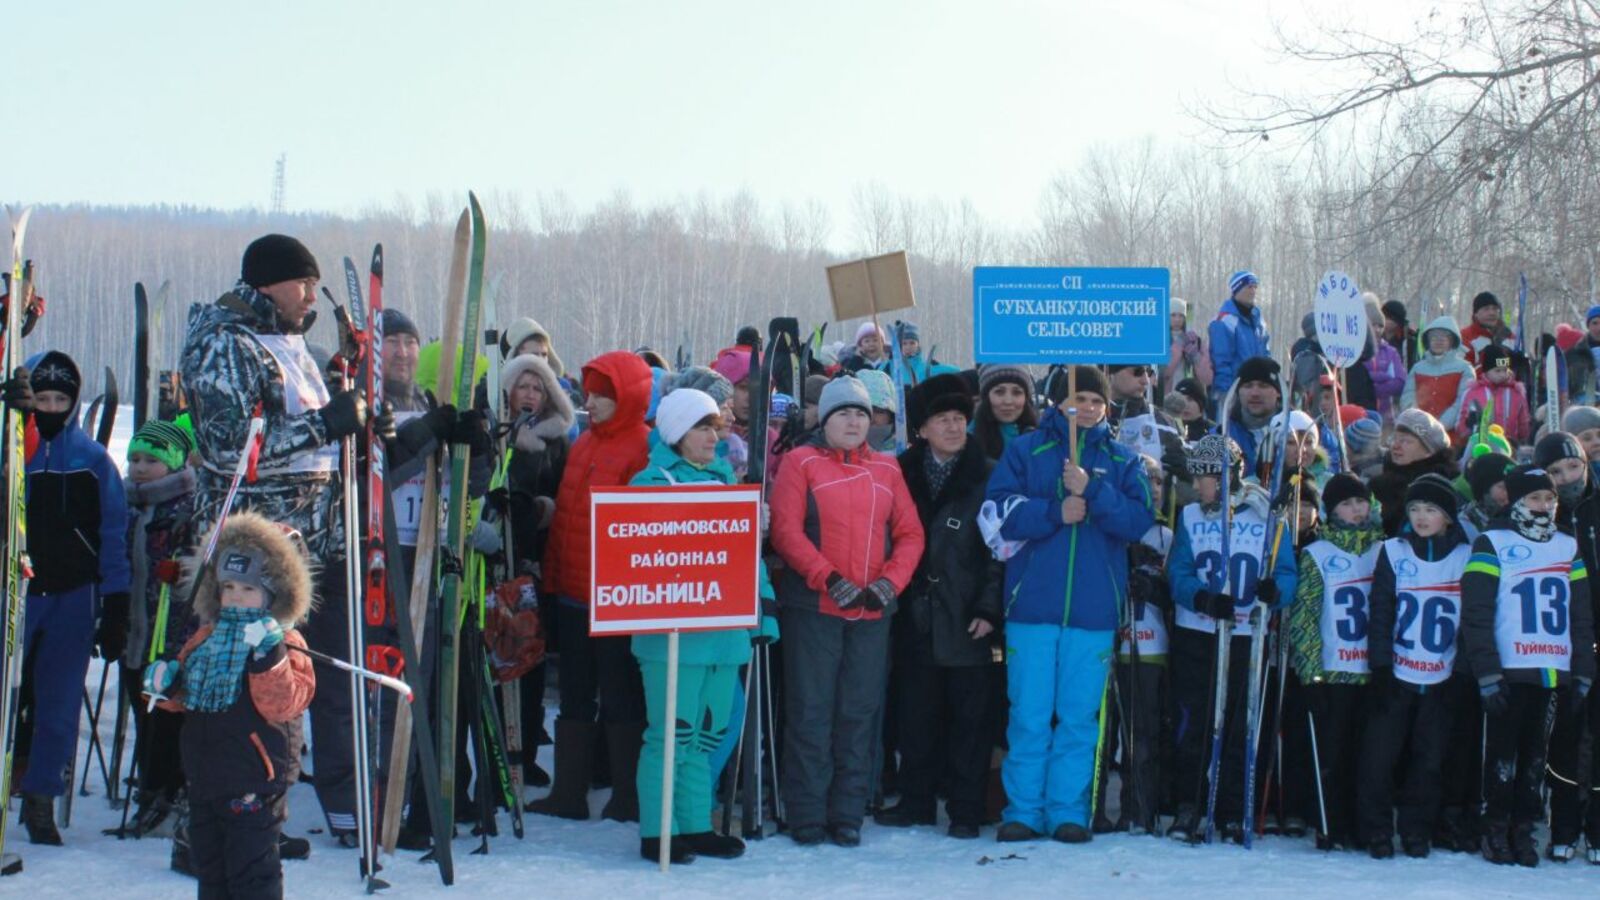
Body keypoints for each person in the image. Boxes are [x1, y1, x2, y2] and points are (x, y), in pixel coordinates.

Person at [986, 365, 1155, 844]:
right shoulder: (1026, 451)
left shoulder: (1123, 461)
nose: (1085, 409)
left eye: (1094, 401)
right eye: (1074, 400)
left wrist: (1093, 491)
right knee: (1030, 714)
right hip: (1031, 608)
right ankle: (1023, 810)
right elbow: (999, 511)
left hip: (1094, 612)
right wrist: (1054, 512)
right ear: (1056, 403)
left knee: (1080, 718)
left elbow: (1138, 521)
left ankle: (1068, 811)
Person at [769, 375, 924, 847]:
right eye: (843, 413)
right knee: (811, 711)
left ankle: (848, 811)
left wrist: (889, 584)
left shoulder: (888, 470)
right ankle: (808, 812)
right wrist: (827, 577)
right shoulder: (802, 463)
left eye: (861, 413)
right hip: (815, 607)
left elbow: (912, 535)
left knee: (859, 712)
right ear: (826, 420)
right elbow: (787, 532)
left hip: (871, 613)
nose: (854, 421)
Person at [629, 388, 775, 864]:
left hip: (725, 633)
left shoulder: (726, 482)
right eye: (703, 427)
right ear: (676, 433)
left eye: (716, 427)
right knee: (671, 732)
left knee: (705, 736)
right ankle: (659, 830)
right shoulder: (649, 483)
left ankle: (694, 824)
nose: (714, 437)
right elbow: (633, 556)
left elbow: (745, 557)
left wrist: (762, 609)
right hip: (672, 637)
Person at [143, 512, 316, 900]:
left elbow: (285, 703)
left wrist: (268, 658)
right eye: (229, 587)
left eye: (249, 589)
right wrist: (166, 686)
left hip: (254, 777)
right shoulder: (208, 638)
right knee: (210, 868)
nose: (236, 597)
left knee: (252, 872)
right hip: (206, 777)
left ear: (275, 595)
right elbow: (186, 697)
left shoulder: (285, 643)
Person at [11, 351, 130, 845]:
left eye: (61, 398)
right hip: (19, 592)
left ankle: (40, 799)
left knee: (59, 705)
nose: (53, 407)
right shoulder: (14, 451)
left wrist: (116, 603)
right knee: (9, 698)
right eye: (43, 399)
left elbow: (114, 532)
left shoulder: (94, 461)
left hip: (74, 596)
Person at [529, 350, 654, 822]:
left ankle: (627, 796)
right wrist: (556, 578)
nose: (594, 401)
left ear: (629, 397)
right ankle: (569, 793)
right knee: (576, 694)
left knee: (622, 697)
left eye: (605, 393)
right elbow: (567, 520)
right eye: (592, 392)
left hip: (617, 599)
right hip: (576, 595)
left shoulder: (642, 446)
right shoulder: (583, 443)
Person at [877, 374, 1002, 839]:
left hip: (968, 613)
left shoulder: (988, 474)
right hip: (914, 613)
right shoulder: (899, 472)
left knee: (971, 719)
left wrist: (990, 609)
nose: (952, 428)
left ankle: (967, 809)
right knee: (916, 715)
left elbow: (999, 549)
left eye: (959, 420)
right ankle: (916, 801)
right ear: (922, 429)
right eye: (942, 420)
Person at [1461, 465, 1596, 866]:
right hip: (1508, 669)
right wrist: (1486, 672)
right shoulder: (1492, 542)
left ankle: (1523, 829)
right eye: (1534, 499)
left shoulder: (1567, 546)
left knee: (1537, 758)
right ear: (1515, 501)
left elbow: (1581, 616)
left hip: (1552, 671)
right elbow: (1477, 613)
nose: (1542, 506)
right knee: (1501, 756)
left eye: (1549, 499)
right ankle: (1495, 827)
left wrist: (1584, 669)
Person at [1165, 434, 1296, 842]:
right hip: (1199, 634)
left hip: (1245, 636)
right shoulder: (1189, 516)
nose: (1199, 485)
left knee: (1241, 725)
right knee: (1194, 723)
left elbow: (1287, 573)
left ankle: (1234, 808)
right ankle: (1189, 803)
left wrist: (1275, 594)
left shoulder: (1266, 515)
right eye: (1198, 477)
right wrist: (1200, 597)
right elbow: (1179, 572)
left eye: (1205, 477)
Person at [1358, 474, 1472, 859]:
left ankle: (1416, 830)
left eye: (1432, 510)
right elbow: (1381, 613)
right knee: (1379, 758)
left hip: (1442, 673)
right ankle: (1376, 830)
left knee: (1429, 761)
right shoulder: (1394, 551)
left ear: (1449, 518)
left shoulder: (1465, 556)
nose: (1422, 517)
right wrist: (1381, 666)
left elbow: (1471, 620)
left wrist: (1461, 673)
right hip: (1399, 673)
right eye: (1415, 509)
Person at [1289, 472, 1384, 852]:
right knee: (1334, 751)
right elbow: (1306, 616)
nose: (1356, 510)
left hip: (1373, 670)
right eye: (1346, 503)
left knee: (1370, 755)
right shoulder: (1319, 554)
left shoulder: (1385, 550)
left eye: (1360, 501)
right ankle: (1331, 820)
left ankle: (1366, 824)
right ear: (1331, 511)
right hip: (1334, 669)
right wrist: (1310, 672)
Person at [498, 350, 575, 793]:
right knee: (501, 654)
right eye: (522, 386)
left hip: (534, 560)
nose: (529, 394)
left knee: (529, 660)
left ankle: (525, 753)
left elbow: (562, 493)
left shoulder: (556, 440)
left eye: (537, 387)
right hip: (495, 557)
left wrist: (545, 511)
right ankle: (499, 754)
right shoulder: (496, 433)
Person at [122, 418, 199, 836]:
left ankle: (170, 788)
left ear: (172, 464)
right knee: (141, 707)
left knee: (167, 712)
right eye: (134, 458)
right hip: (135, 629)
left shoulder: (185, 505)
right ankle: (151, 786)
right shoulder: (128, 505)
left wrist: (183, 571)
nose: (139, 467)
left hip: (171, 630)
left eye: (151, 459)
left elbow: (202, 559)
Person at [1535, 431, 1600, 862]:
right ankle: (1563, 824)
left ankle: (1596, 827)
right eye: (1556, 472)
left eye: (1573, 467)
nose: (1567, 478)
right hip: (1561, 641)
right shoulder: (1544, 518)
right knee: (1564, 733)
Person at [1369, 409, 1459, 537]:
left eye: (1406, 441)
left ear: (1429, 450)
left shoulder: (1445, 487)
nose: (1395, 446)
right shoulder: (1379, 486)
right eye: (1395, 439)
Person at [1208, 271, 1271, 410]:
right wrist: (1226, 392)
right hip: (1235, 390)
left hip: (1257, 389)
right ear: (1237, 289)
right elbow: (1221, 360)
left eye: (1255, 287)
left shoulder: (1258, 321)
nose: (1253, 291)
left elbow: (1266, 354)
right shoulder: (1224, 321)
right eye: (1249, 287)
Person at [1400, 316, 1476, 431]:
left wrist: (1439, 427)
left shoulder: (1465, 368)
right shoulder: (1418, 368)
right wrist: (1417, 423)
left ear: (1453, 341)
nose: (1438, 340)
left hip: (1451, 436)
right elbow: (1408, 396)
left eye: (1444, 336)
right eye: (1434, 336)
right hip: (1419, 433)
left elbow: (1462, 402)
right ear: (1427, 340)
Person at [1458, 345, 1531, 446]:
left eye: (1505, 370)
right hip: (1481, 447)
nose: (1502, 374)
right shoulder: (1473, 392)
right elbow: (1462, 420)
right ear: (1486, 371)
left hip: (1509, 447)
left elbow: (1524, 421)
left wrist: (1523, 439)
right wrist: (1467, 433)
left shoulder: (1516, 393)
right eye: (1497, 371)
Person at [1223, 356, 1284, 477]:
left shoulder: (1299, 434)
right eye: (1248, 386)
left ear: (1278, 392)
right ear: (1238, 391)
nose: (1255, 393)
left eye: (1263, 385)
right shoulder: (1222, 435)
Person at [972, 365, 1038, 461]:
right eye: (999, 392)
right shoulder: (967, 440)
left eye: (1017, 392)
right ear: (986, 397)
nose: (1008, 401)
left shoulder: (1040, 436)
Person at [1365, 294, 1407, 424]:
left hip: (1386, 417)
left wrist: (1373, 387)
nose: (1377, 330)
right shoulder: (1357, 354)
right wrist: (1384, 377)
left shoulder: (1390, 352)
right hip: (1363, 415)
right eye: (1373, 325)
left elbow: (1400, 381)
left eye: (1380, 326)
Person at [1460, 452, 1516, 541]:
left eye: (1514, 485)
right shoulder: (1465, 527)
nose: (1511, 493)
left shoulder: (1521, 517)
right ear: (1484, 490)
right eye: (1503, 487)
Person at [1162, 298, 1211, 396]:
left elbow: (1208, 379)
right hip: (1164, 398)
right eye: (1173, 315)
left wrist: (1196, 357)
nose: (1177, 319)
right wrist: (1179, 345)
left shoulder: (1195, 340)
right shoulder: (1160, 339)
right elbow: (1164, 373)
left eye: (1181, 315)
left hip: (1188, 395)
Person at [1460, 292, 1508, 370]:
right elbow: (1463, 371)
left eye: (1495, 309)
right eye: (1486, 309)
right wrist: (1490, 371)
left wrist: (1516, 364)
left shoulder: (1509, 336)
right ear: (1476, 313)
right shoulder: (1465, 337)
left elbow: (1505, 367)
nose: (1492, 313)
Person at [1382, 299, 1419, 369]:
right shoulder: (1376, 336)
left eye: (1388, 317)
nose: (1384, 320)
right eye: (1383, 317)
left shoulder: (1408, 341)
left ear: (1397, 321)